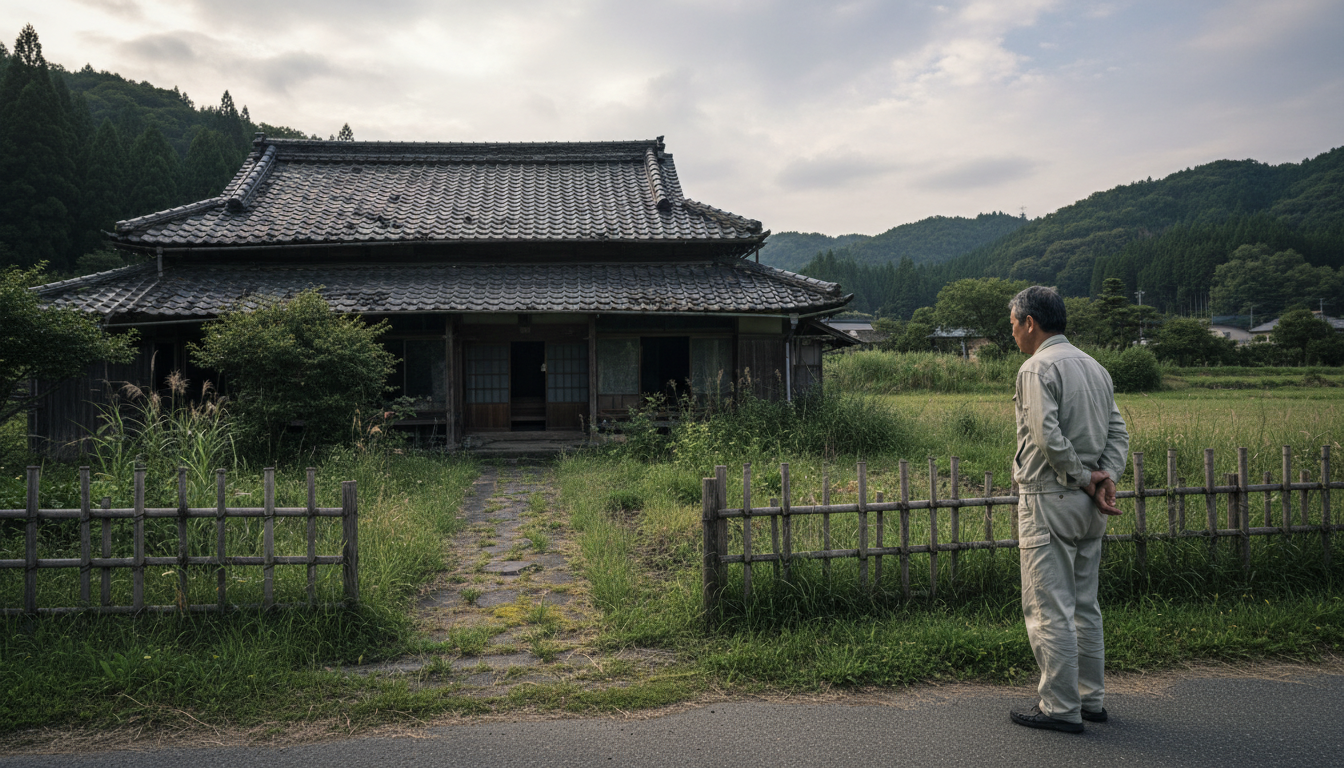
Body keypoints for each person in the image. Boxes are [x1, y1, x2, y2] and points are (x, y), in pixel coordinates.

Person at [1006, 286, 1130, 734]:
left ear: (1030, 323)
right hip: (1090, 503)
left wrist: (1081, 476)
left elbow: (1045, 435)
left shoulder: (1036, 368)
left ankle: (1059, 707)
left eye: (1014, 324)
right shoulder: (1095, 367)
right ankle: (1089, 699)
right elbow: (1119, 432)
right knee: (1084, 605)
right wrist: (1104, 477)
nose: (1014, 334)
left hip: (1049, 496)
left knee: (1047, 606)